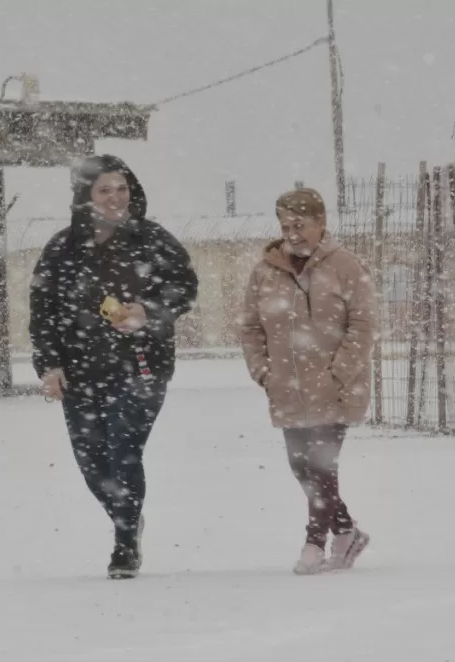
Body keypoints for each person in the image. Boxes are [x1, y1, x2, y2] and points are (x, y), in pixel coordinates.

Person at [29, 154, 199, 579]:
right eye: (104, 189)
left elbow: (185, 288)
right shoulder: (62, 247)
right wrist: (49, 364)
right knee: (92, 462)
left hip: (142, 366)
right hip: (80, 369)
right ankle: (128, 514)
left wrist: (147, 310)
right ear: (86, 195)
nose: (115, 197)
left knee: (124, 451)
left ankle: (124, 542)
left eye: (122, 188)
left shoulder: (153, 240)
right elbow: (42, 310)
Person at [239, 187, 376, 575]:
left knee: (321, 464)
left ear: (321, 224)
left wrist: (338, 374)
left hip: (334, 387)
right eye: (285, 226)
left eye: (300, 225)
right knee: (300, 466)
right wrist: (263, 371)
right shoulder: (266, 270)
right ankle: (347, 531)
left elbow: (363, 326)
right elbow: (250, 327)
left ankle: (315, 542)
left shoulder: (346, 265)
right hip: (286, 387)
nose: (292, 233)